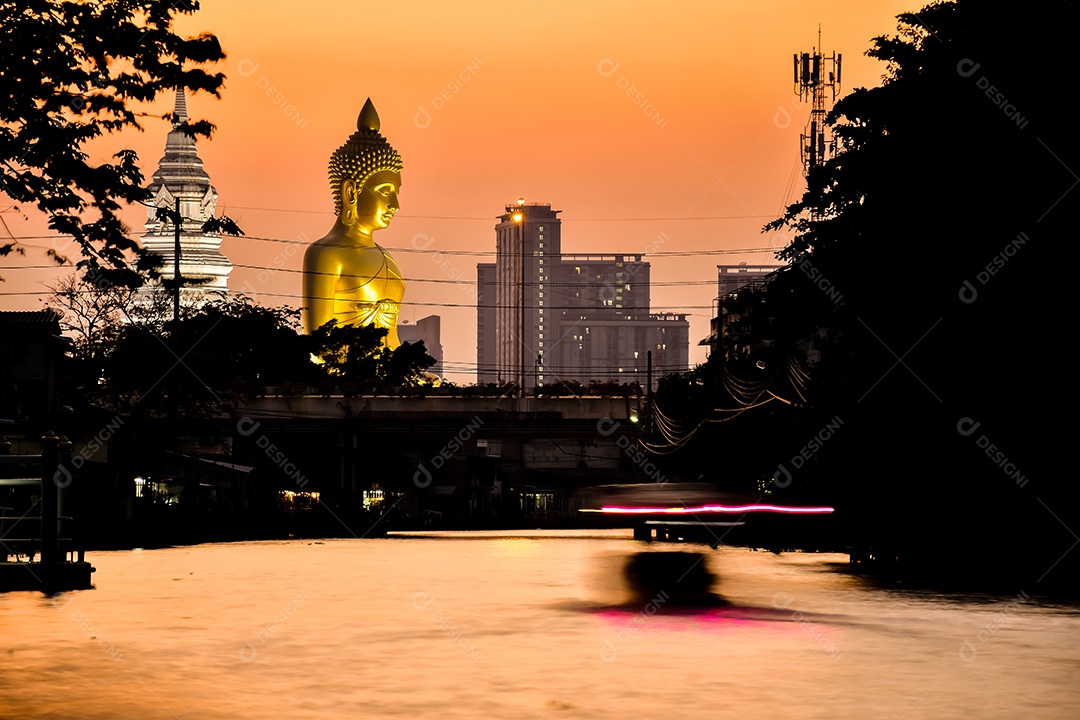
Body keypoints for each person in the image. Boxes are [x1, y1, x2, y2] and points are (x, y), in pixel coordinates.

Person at [303, 99, 405, 348]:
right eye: (385, 191)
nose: (394, 204)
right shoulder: (326, 254)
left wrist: (410, 371)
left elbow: (392, 340)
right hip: (344, 378)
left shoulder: (388, 260)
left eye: (397, 193)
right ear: (351, 192)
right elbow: (318, 344)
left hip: (386, 380)